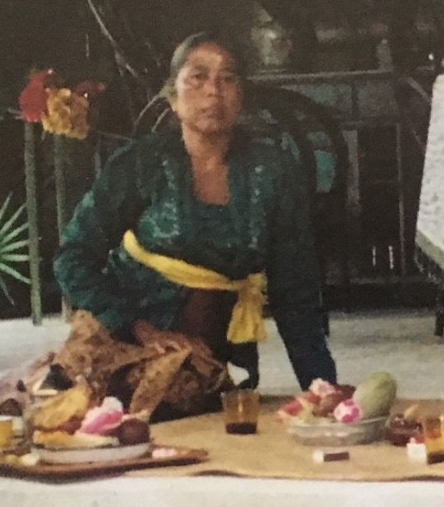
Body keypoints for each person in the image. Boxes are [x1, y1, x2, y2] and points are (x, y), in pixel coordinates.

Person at [54, 33, 336, 406]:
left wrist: (321, 387)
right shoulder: (141, 163)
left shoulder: (273, 171)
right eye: (198, 77)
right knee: (82, 412)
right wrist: (140, 328)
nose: (214, 92)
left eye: (228, 79)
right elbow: (72, 257)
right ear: (172, 96)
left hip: (205, 355)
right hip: (122, 337)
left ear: (242, 97)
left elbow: (295, 291)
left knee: (185, 409)